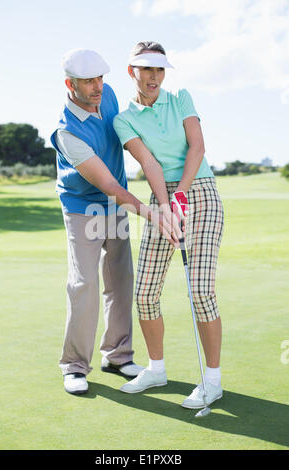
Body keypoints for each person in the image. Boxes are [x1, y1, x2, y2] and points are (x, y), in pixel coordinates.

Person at [50, 48, 181, 395]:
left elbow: (125, 137)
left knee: (121, 279)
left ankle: (118, 356)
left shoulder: (105, 95)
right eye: (88, 81)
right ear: (70, 84)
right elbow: (106, 184)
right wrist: (152, 213)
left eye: (99, 79)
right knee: (84, 284)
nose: (97, 87)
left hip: (114, 205)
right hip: (82, 207)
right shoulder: (67, 133)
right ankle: (75, 366)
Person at [113, 41, 224, 409]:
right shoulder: (124, 119)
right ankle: (156, 369)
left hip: (201, 192)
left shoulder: (181, 99)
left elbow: (197, 147)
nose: (154, 77)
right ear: (133, 72)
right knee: (145, 293)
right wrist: (164, 205)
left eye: (159, 70)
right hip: (163, 199)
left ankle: (212, 381)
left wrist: (183, 195)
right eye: (146, 70)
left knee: (200, 291)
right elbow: (150, 163)